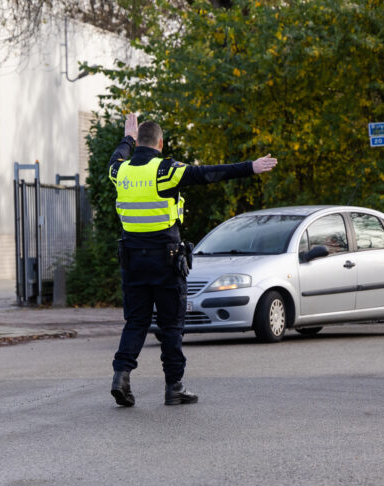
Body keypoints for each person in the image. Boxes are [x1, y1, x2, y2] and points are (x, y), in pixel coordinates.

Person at [108, 113, 277, 406]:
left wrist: (127, 137)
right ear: (161, 143)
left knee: (136, 321)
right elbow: (209, 173)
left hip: (132, 261)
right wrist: (251, 167)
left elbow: (118, 155)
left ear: (138, 143)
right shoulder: (165, 171)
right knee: (171, 324)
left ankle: (121, 377)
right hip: (165, 260)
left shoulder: (119, 171)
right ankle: (174, 387)